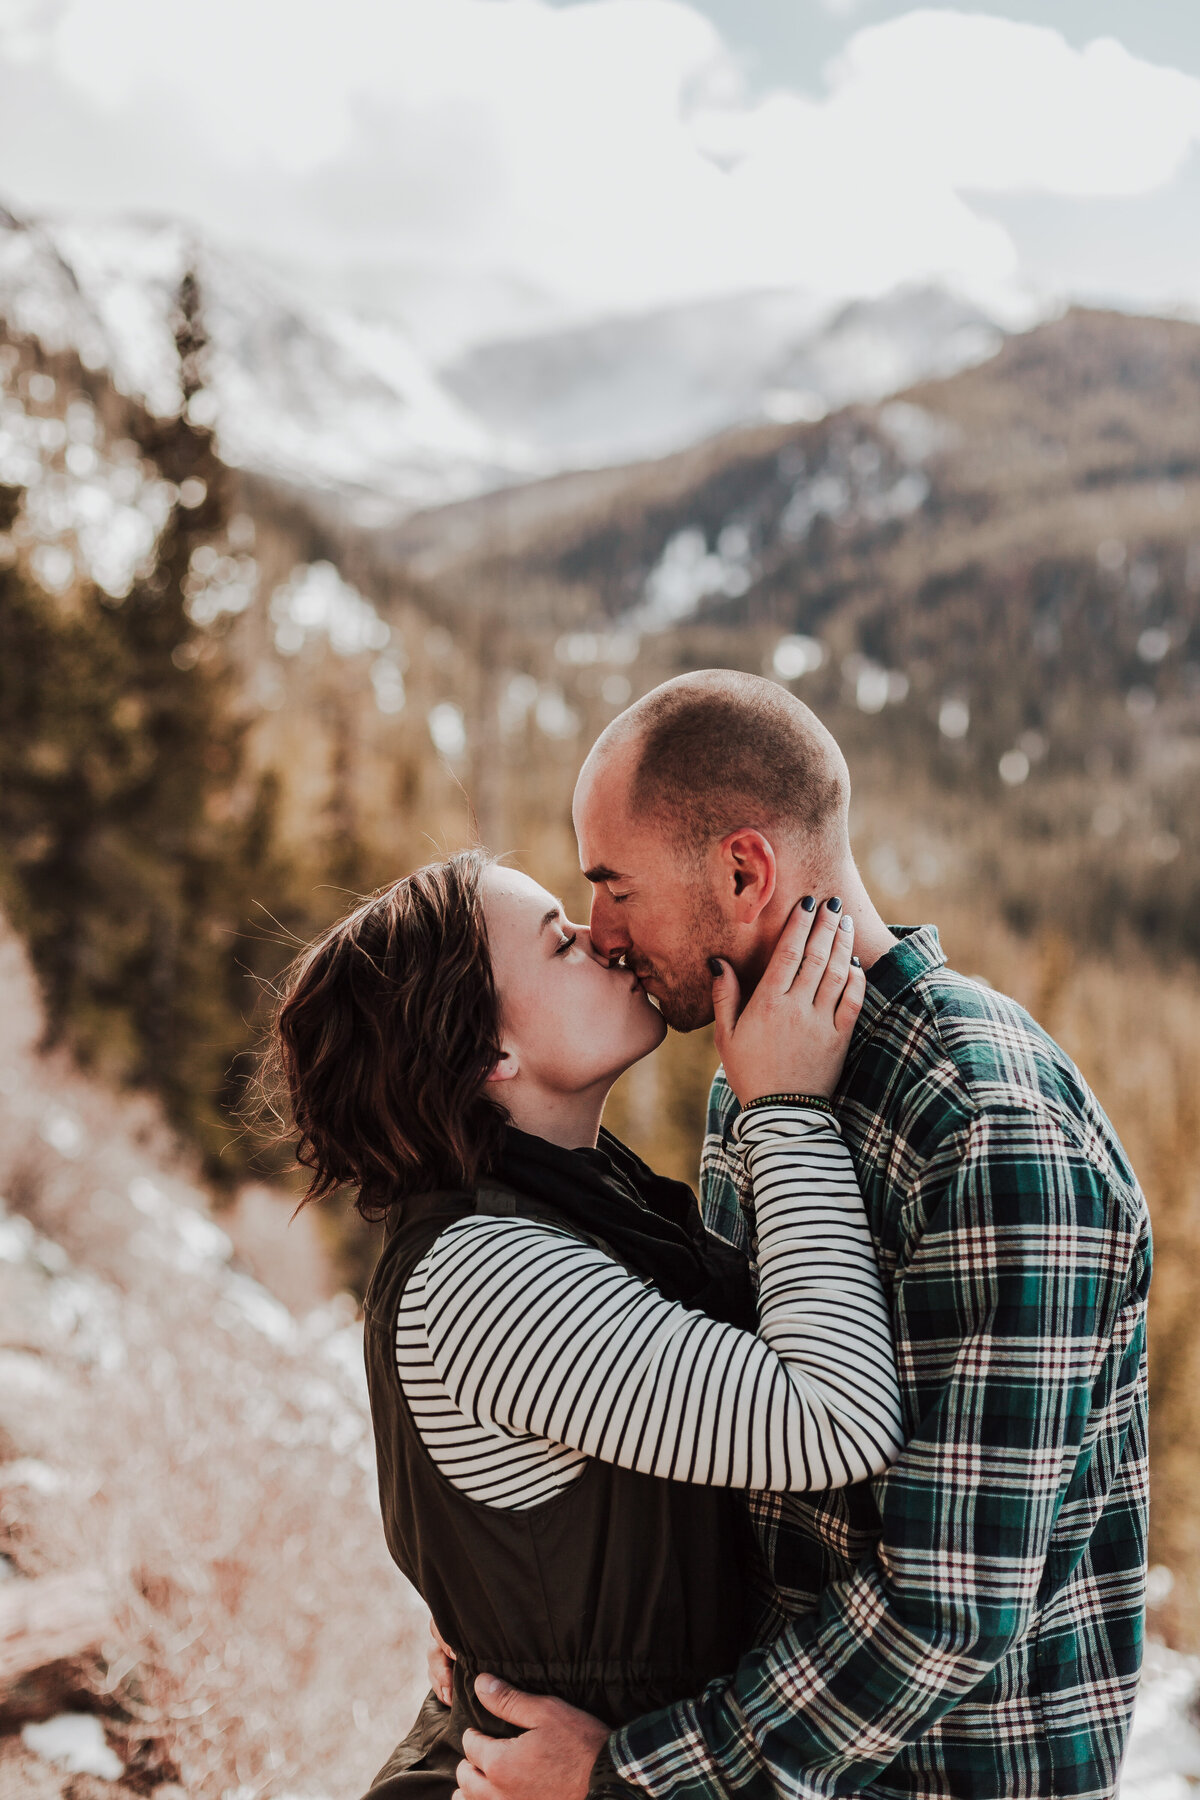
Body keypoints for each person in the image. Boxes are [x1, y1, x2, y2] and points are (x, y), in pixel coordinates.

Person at [454, 670, 1151, 1800]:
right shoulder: (768, 1071)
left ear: (744, 870)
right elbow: (738, 1429)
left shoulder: (989, 1131)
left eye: (616, 887)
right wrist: (519, 1619)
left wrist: (629, 1777)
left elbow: (947, 1606)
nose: (603, 931)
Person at [267, 845, 904, 1799]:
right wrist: (786, 1111)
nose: (605, 940)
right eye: (561, 945)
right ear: (492, 1053)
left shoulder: (567, 1205)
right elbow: (833, 1420)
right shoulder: (484, 1276)